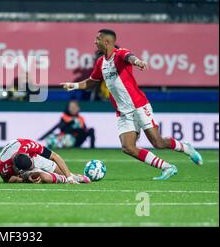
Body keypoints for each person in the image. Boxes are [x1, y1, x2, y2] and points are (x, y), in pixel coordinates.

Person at [61, 29, 203, 181]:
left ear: (107, 41)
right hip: (123, 112)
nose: (94, 42)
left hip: (139, 106)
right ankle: (167, 167)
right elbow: (91, 82)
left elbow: (130, 57)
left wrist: (138, 62)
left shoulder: (120, 54)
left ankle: (185, 147)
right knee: (128, 147)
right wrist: (73, 85)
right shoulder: (100, 62)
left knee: (158, 142)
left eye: (97, 39)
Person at [0, 138, 91, 184]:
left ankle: (73, 177)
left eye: (32, 166)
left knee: (64, 172)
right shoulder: (2, 166)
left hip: (33, 157)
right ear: (16, 168)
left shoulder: (28, 145)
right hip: (22, 170)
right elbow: (8, 180)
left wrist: (69, 177)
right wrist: (23, 179)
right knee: (45, 178)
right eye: (31, 168)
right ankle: (64, 179)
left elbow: (55, 156)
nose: (34, 168)